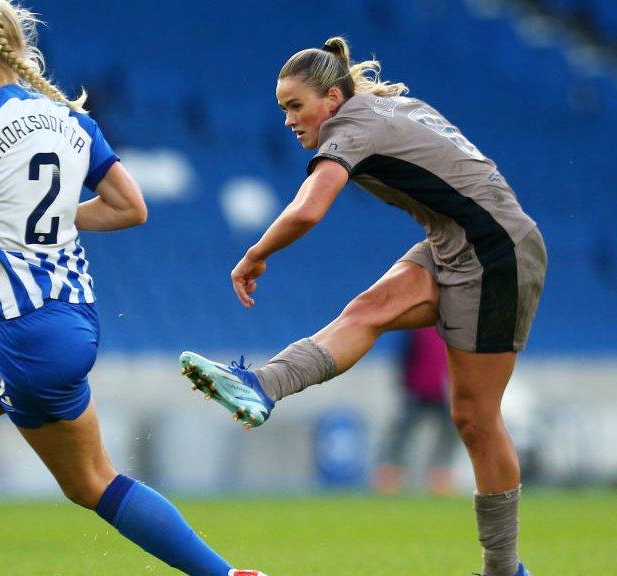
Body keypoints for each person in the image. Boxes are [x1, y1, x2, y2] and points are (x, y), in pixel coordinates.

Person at [0, 2, 266, 575]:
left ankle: (223, 574)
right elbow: (132, 207)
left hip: (23, 333)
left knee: (92, 483)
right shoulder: (70, 120)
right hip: (68, 318)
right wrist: (58, 217)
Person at [179, 37, 545, 576]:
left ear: (332, 97)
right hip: (457, 240)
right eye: (283, 109)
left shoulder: (354, 127)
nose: (288, 120)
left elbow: (309, 210)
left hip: (498, 255)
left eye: (295, 106)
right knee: (365, 310)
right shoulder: (386, 109)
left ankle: (504, 570)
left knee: (474, 417)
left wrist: (256, 254)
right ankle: (262, 387)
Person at [372, 327, 457, 496]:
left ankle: (440, 479)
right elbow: (404, 356)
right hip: (418, 389)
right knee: (401, 434)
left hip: (445, 391)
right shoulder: (418, 329)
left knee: (449, 436)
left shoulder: (455, 329)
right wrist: (405, 384)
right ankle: (390, 477)